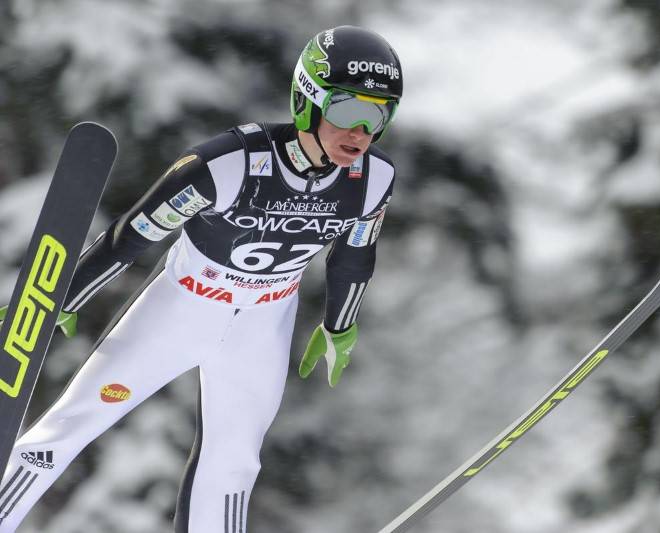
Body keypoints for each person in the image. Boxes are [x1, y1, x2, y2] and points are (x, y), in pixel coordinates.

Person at [0, 25, 401, 532]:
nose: (361, 133)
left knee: (234, 464)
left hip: (263, 327)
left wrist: (340, 325)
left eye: (379, 114)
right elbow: (133, 236)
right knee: (70, 425)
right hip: (182, 309)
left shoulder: (374, 180)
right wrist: (62, 299)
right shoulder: (227, 165)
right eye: (348, 111)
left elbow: (353, 256)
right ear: (308, 101)